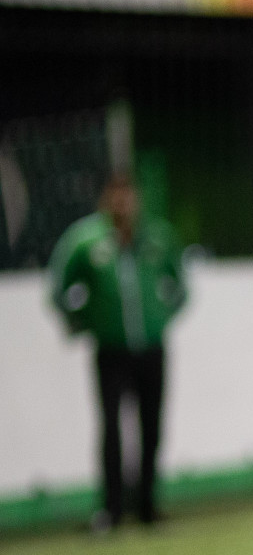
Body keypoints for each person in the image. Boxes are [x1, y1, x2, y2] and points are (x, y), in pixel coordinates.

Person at [48, 172, 187, 531]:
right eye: (116, 196)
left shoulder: (157, 237)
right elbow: (58, 289)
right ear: (105, 200)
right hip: (110, 350)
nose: (123, 204)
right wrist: (82, 321)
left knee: (151, 427)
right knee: (111, 428)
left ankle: (147, 506)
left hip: (151, 349)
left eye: (129, 196)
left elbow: (181, 287)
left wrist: (160, 317)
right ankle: (110, 509)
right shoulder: (85, 241)